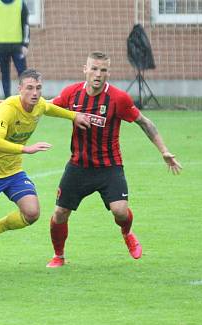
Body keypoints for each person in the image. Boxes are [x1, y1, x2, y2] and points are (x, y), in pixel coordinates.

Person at [46, 51, 182, 268]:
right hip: (78, 166)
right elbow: (46, 106)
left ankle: (127, 232)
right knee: (60, 213)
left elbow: (144, 123)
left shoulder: (118, 98)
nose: (98, 74)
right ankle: (59, 256)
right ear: (85, 69)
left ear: (109, 72)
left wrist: (163, 150)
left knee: (120, 212)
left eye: (103, 70)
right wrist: (12, 105)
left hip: (109, 167)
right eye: (94, 68)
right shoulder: (72, 93)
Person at [0, 69, 90, 265]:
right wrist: (25, 149)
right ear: (20, 89)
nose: (35, 93)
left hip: (13, 172)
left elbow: (50, 108)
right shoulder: (7, 108)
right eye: (29, 88)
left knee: (31, 213)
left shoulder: (39, 105)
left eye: (38, 88)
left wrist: (74, 116)